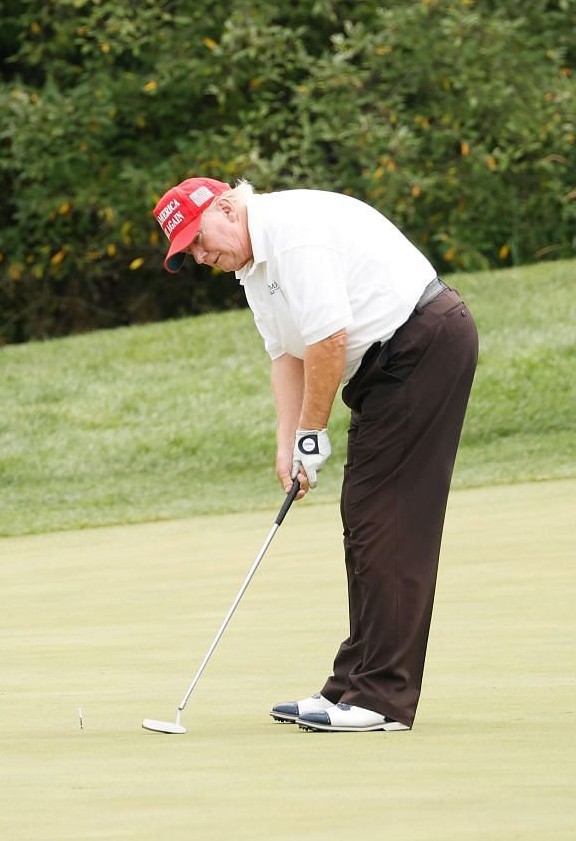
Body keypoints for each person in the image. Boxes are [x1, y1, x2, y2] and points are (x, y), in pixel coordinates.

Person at [152, 177, 479, 732]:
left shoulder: (291, 232)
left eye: (199, 240)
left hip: (422, 343)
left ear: (228, 207)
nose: (202, 256)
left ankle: (383, 698)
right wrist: (289, 446)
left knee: (387, 518)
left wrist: (312, 433)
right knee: (365, 518)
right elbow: (288, 355)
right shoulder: (250, 270)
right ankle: (353, 685)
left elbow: (329, 337)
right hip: (387, 368)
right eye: (190, 253)